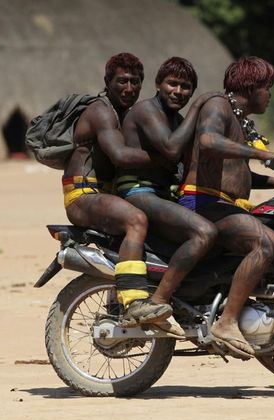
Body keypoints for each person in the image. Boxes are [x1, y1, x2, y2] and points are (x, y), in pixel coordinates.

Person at [177, 56, 274, 358]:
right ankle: (226, 324)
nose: (270, 95)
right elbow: (209, 141)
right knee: (266, 242)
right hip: (202, 201)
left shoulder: (238, 119)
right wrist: (260, 154)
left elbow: (234, 173)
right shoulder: (218, 105)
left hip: (221, 203)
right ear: (252, 87)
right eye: (267, 87)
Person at [63, 52, 173, 328]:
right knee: (136, 220)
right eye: (122, 81)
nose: (129, 88)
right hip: (83, 195)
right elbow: (120, 156)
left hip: (108, 196)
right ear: (107, 81)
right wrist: (168, 159)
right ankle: (134, 301)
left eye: (135, 82)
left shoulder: (126, 114)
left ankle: (119, 303)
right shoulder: (102, 111)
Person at [120, 57, 221, 314]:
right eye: (172, 84)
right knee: (204, 232)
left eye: (186, 87)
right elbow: (171, 148)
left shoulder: (176, 120)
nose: (178, 91)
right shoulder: (145, 111)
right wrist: (198, 105)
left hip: (163, 195)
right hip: (137, 191)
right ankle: (159, 300)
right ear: (158, 84)